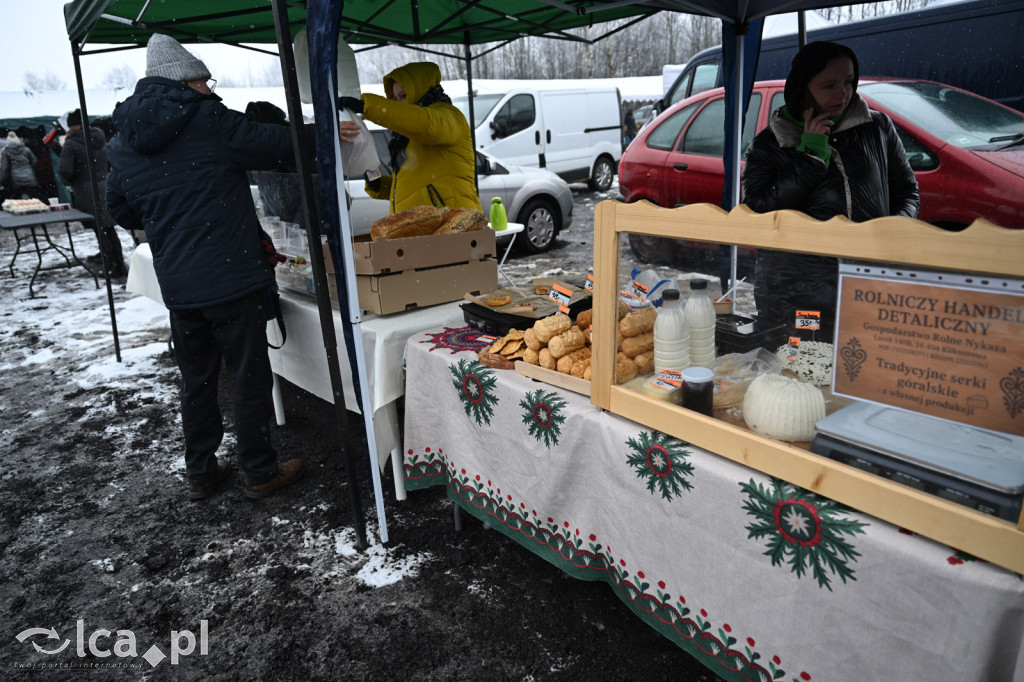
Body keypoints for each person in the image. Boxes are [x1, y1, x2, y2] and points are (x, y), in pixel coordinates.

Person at [105, 33, 304, 501]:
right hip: (233, 277)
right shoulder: (208, 119)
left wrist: (166, 217)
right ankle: (259, 471)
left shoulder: (122, 141)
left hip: (180, 284)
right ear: (189, 80)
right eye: (206, 80)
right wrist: (330, 135)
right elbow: (277, 145)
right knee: (248, 376)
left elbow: (121, 209)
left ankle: (200, 472)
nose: (210, 88)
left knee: (196, 381)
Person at [741, 41, 920, 336]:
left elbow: (907, 192)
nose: (843, 93)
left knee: (863, 368)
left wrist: (893, 232)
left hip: (869, 285)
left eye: (849, 81)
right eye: (828, 86)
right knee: (800, 374)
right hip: (794, 296)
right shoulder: (769, 144)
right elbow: (756, 212)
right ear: (802, 88)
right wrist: (810, 159)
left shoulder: (877, 128)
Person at [337, 62, 481, 214]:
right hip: (426, 226)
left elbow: (426, 123)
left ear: (419, 90)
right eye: (395, 98)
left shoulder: (449, 116)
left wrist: (369, 106)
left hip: (452, 221)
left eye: (403, 96)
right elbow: (416, 188)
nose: (399, 103)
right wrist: (380, 185)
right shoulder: (405, 137)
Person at [58, 109, 128, 277]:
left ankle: (112, 266)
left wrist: (71, 181)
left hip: (86, 190)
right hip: (105, 185)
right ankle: (118, 263)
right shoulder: (99, 137)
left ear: (71, 127)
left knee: (100, 230)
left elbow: (65, 171)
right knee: (108, 228)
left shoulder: (71, 143)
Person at [1, 130, 40, 200]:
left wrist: (1, 179)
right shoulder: (26, 149)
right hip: (29, 177)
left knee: (19, 202)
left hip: (15, 179)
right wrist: (29, 168)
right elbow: (35, 161)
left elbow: (5, 168)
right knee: (33, 201)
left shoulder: (6, 152)